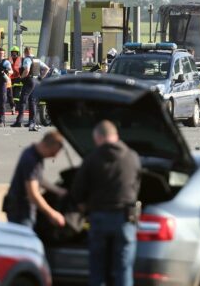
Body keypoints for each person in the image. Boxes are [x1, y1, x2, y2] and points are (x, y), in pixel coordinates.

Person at [72, 120, 141, 286]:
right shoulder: (132, 157)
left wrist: (82, 206)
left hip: (99, 217)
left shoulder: (92, 158)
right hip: (125, 219)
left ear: (99, 138)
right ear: (115, 136)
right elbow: (137, 185)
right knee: (124, 268)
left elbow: (78, 190)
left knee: (98, 269)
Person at [3, 130, 67, 228]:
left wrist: (58, 190)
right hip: (20, 212)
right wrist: (52, 214)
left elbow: (38, 178)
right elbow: (33, 194)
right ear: (47, 145)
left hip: (20, 209)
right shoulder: (31, 159)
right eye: (53, 152)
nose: (54, 156)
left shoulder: (35, 154)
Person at [11, 47, 49, 131]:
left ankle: (19, 121)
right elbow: (47, 68)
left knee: (23, 100)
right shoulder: (37, 60)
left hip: (29, 81)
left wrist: (21, 77)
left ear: (25, 52)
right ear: (31, 51)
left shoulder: (27, 59)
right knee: (32, 102)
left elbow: (27, 70)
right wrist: (40, 78)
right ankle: (32, 121)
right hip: (36, 82)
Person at [8, 46, 22, 113]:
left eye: (15, 53)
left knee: (17, 94)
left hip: (18, 79)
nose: (13, 54)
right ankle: (13, 107)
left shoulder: (21, 60)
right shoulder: (8, 60)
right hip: (10, 79)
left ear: (18, 53)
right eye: (12, 53)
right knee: (11, 94)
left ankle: (17, 107)